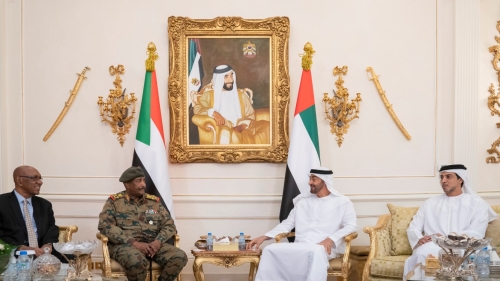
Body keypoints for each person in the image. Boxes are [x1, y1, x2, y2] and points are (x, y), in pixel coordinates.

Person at [247, 167, 357, 281]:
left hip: (323, 248)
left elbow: (351, 225)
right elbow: (287, 224)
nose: (309, 182)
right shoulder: (303, 202)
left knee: (316, 251)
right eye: (310, 178)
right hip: (300, 245)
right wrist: (264, 237)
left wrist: (331, 239)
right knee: (269, 249)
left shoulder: (342, 202)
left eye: (314, 179)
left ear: (324, 181)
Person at [403, 164, 497, 280]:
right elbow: (413, 228)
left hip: (464, 247)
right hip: (433, 246)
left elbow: (477, 232)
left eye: (448, 177)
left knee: (467, 257)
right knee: (421, 253)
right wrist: (419, 238)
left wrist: (448, 239)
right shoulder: (430, 203)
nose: (443, 181)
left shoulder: (477, 203)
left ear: (460, 179)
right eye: (441, 177)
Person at [98, 166, 187, 281]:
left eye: (143, 180)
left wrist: (158, 241)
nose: (143, 184)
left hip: (152, 244)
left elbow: (169, 224)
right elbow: (106, 227)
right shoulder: (114, 202)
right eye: (138, 181)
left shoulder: (153, 202)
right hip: (125, 245)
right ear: (127, 184)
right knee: (137, 261)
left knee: (179, 256)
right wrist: (134, 243)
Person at [0, 165, 67, 262]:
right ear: (19, 181)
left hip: (43, 256)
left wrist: (48, 244)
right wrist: (19, 247)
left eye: (40, 178)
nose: (40, 182)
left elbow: (51, 228)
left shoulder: (45, 205)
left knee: (73, 261)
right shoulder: (2, 203)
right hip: (14, 256)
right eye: (34, 178)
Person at [192, 64, 270, 144]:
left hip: (244, 127)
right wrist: (214, 113)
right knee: (229, 135)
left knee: (268, 127)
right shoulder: (208, 95)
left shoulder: (241, 95)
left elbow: (250, 115)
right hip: (226, 128)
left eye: (232, 75)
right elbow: (197, 108)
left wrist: (241, 126)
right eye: (226, 77)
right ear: (219, 79)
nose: (231, 80)